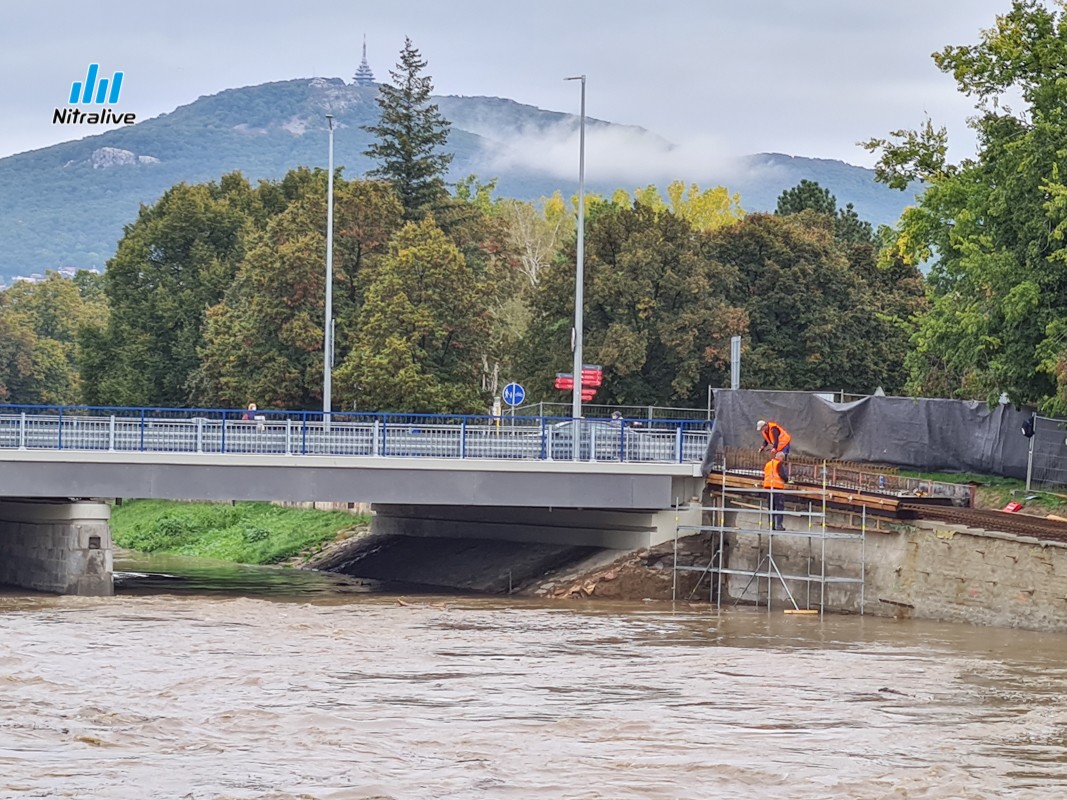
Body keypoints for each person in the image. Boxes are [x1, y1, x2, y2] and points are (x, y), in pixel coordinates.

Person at [763, 450, 789, 530]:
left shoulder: (768, 464)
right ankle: (779, 525)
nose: (783, 460)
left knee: (771, 508)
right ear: (780, 457)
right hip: (777, 488)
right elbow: (782, 474)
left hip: (768, 488)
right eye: (783, 458)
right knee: (779, 507)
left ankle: (771, 526)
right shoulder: (779, 464)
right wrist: (786, 480)